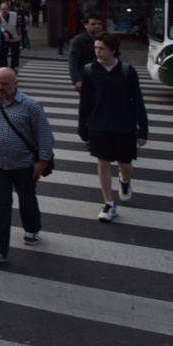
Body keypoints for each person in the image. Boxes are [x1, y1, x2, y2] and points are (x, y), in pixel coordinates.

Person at [0, 67, 53, 264]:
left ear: (15, 84)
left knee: (27, 199)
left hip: (24, 164)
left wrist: (42, 162)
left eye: (4, 83)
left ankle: (32, 228)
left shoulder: (31, 106)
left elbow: (44, 135)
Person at [78, 34, 148, 223]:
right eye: (96, 48)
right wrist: (82, 127)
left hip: (124, 125)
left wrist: (143, 130)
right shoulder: (90, 70)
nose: (97, 51)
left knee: (125, 164)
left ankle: (124, 182)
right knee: (103, 162)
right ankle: (109, 203)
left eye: (101, 48)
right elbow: (85, 102)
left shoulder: (127, 71)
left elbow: (138, 101)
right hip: (99, 125)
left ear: (113, 50)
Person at [67, 15, 105, 92]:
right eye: (93, 24)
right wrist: (77, 80)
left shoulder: (105, 39)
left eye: (99, 24)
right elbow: (73, 61)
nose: (97, 26)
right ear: (85, 25)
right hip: (86, 78)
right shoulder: (78, 41)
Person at [0, 0, 21, 69]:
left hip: (14, 37)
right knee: (3, 54)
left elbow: (18, 26)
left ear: (9, 9)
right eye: (3, 9)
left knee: (16, 52)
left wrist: (20, 36)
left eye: (6, 9)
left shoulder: (14, 15)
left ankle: (13, 67)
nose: (5, 10)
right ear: (0, 9)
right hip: (3, 38)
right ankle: (4, 68)